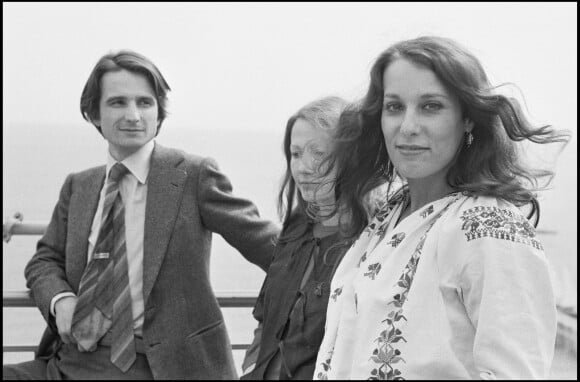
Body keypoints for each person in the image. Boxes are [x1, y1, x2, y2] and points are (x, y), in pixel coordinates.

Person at [3, 50, 279, 380]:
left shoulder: (193, 176)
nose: (134, 115)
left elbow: (271, 247)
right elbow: (44, 260)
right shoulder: (79, 186)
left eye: (145, 103)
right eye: (118, 102)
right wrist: (60, 300)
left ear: (159, 112)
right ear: (94, 113)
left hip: (163, 367)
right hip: (72, 362)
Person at [313, 36, 571, 379]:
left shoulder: (488, 227)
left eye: (431, 106)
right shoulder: (389, 215)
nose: (408, 127)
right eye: (394, 107)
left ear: (467, 118)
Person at [241, 97, 369, 379]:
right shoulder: (296, 225)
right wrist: (250, 366)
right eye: (296, 154)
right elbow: (266, 317)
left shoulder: (370, 239)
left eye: (319, 153)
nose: (303, 167)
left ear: (351, 157)